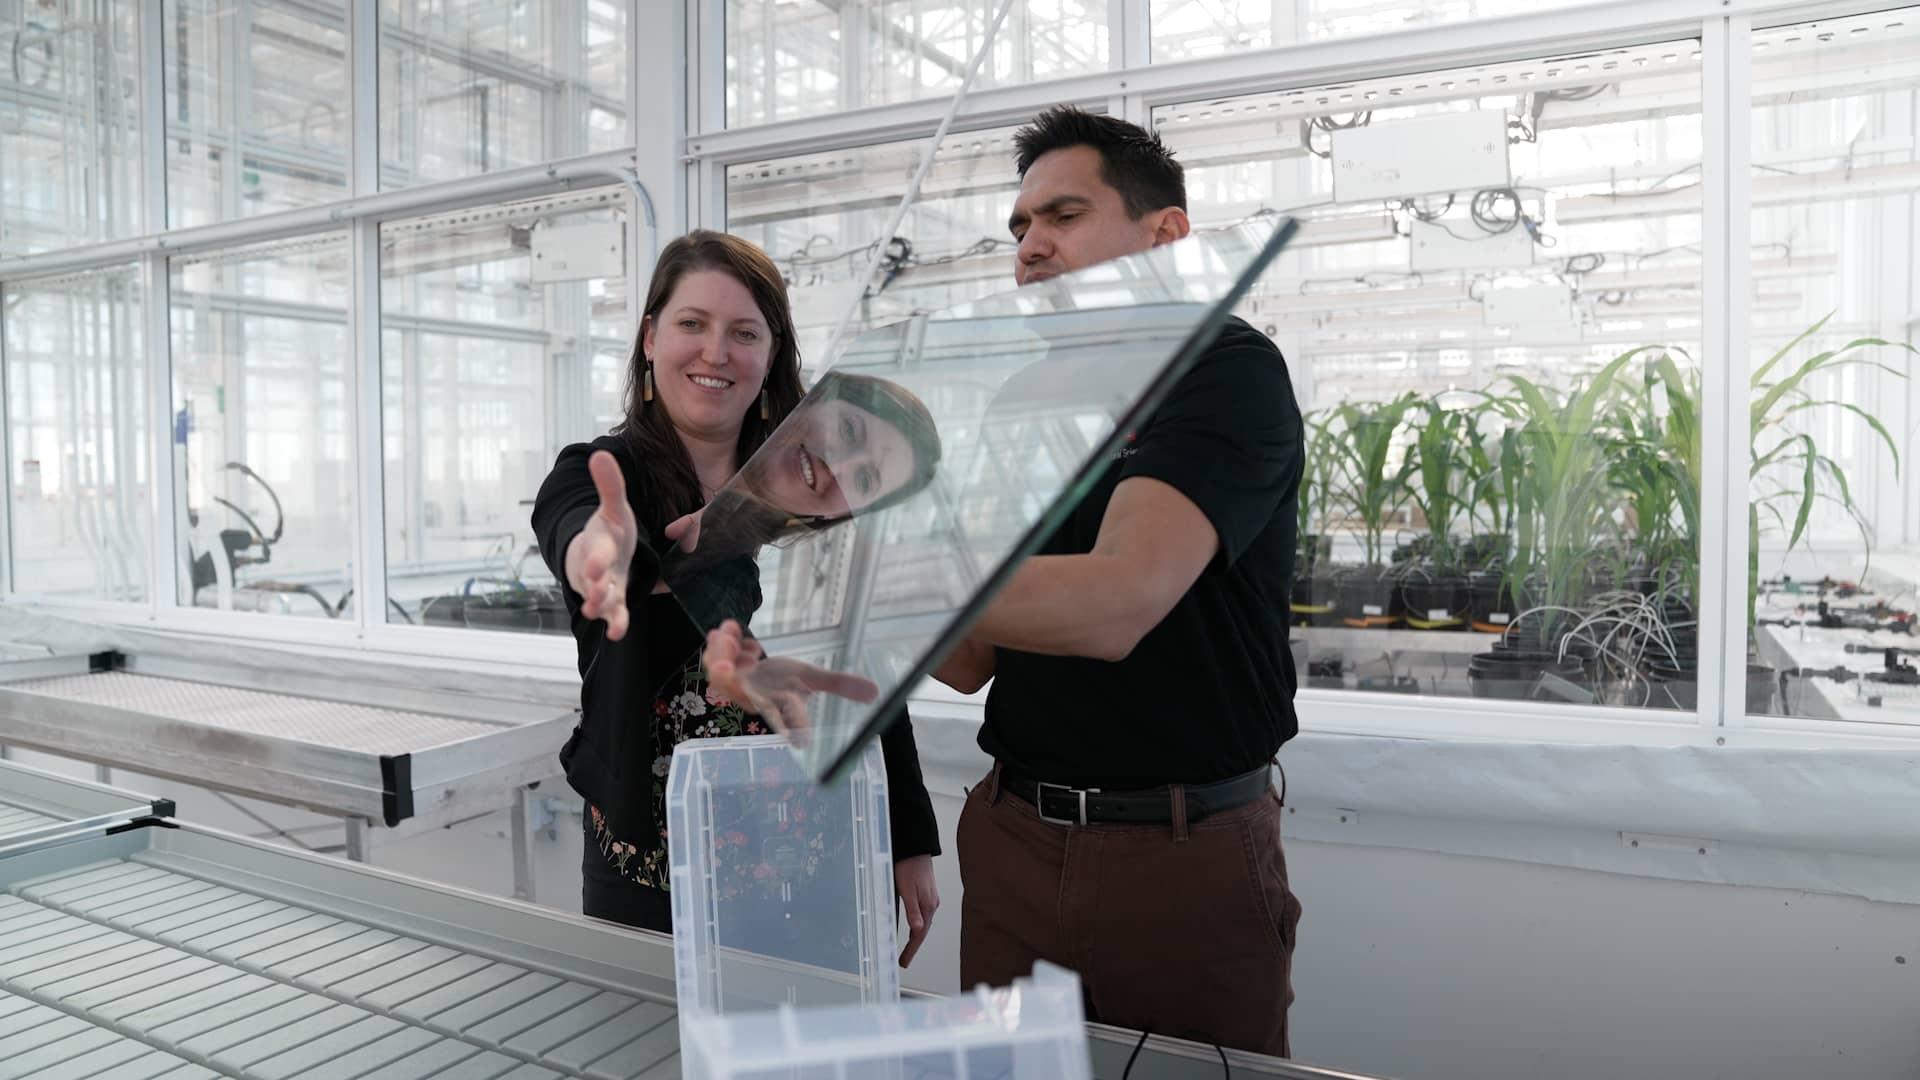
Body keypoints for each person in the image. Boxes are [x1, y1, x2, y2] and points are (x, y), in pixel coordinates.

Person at [706, 107, 1306, 1056]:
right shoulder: (1028, 399)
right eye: (1020, 228)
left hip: (1181, 855)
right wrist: (849, 512)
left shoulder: (1224, 372)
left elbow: (1118, 601)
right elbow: (972, 658)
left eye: (1063, 216)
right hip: (1017, 840)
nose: (1029, 246)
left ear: (1168, 236)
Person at [531, 229, 944, 967]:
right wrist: (602, 552)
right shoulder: (608, 472)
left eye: (744, 333)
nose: (717, 353)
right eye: (694, 324)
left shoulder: (822, 510)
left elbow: (873, 678)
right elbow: (579, 529)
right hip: (653, 864)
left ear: (772, 358)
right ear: (652, 338)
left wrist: (908, 835)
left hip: (818, 858)